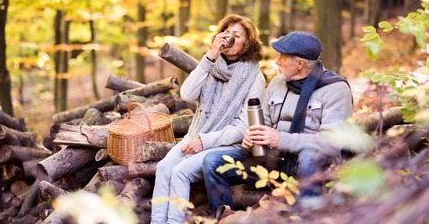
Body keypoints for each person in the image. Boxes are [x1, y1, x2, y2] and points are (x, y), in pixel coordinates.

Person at [202, 31, 353, 218]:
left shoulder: (335, 89)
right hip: (273, 160)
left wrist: (281, 139)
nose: (277, 61)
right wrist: (252, 136)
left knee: (309, 157)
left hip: (309, 165)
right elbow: (263, 122)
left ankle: (304, 219)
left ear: (300, 64)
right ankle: (225, 218)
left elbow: (332, 142)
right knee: (213, 162)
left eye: (282, 57)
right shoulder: (277, 83)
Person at [150, 14, 266, 224]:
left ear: (247, 42)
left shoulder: (254, 78)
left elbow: (243, 127)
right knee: (164, 168)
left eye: (236, 35)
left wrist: (204, 141)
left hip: (226, 144)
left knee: (180, 172)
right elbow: (187, 94)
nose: (229, 38)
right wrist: (210, 57)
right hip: (194, 135)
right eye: (226, 33)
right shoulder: (211, 65)